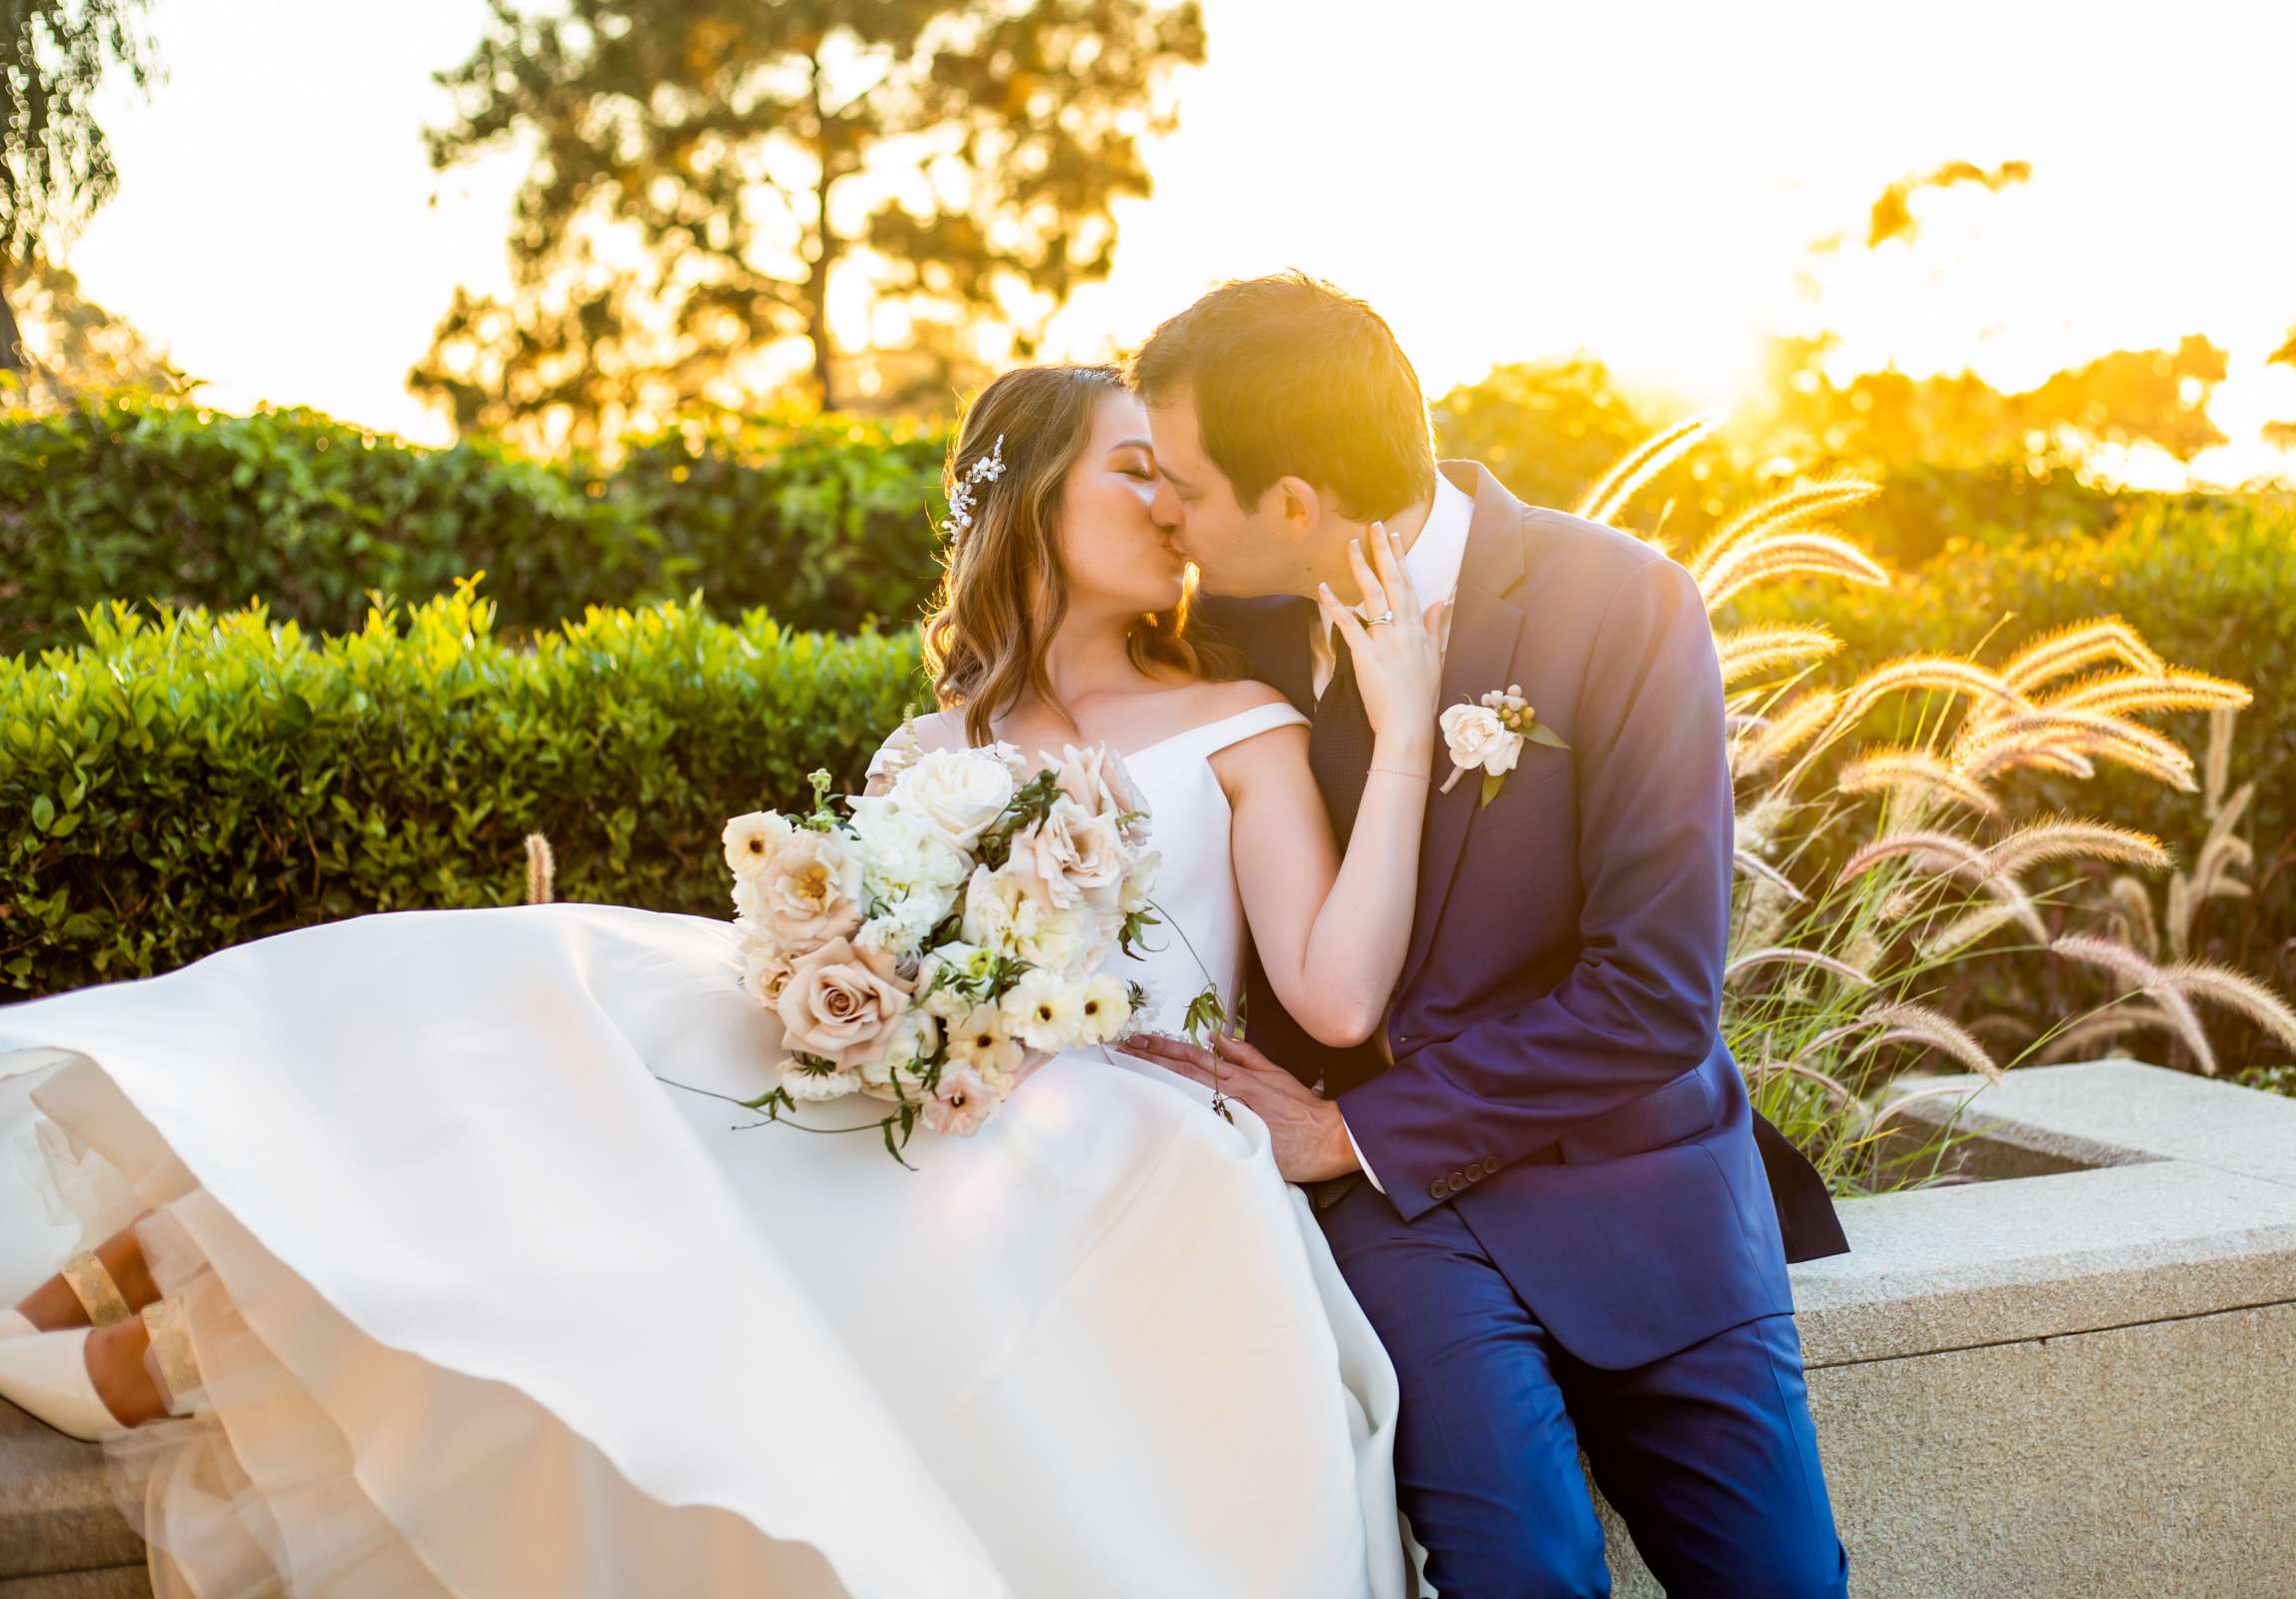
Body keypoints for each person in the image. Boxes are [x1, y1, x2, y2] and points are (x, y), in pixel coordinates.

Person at [0, 363, 1444, 1598]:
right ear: (1036, 505)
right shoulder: (923, 753)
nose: (1177, 503)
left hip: (1122, 1137)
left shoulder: (1241, 723)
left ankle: (180, 1309)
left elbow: (1333, 995)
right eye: (1138, 470)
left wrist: (1396, 731)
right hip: (930, 1102)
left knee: (656, 1094)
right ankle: (183, 1225)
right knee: (585, 987)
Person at [1115, 273, 1853, 1598]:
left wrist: (1356, 1132)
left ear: (1294, 503)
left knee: (1783, 1585)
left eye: (1181, 482)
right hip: (1404, 1224)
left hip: (1639, 1185)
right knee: (1526, 1573)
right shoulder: (1220, 639)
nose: (1158, 507)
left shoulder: (1626, 606)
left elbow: (1655, 995)